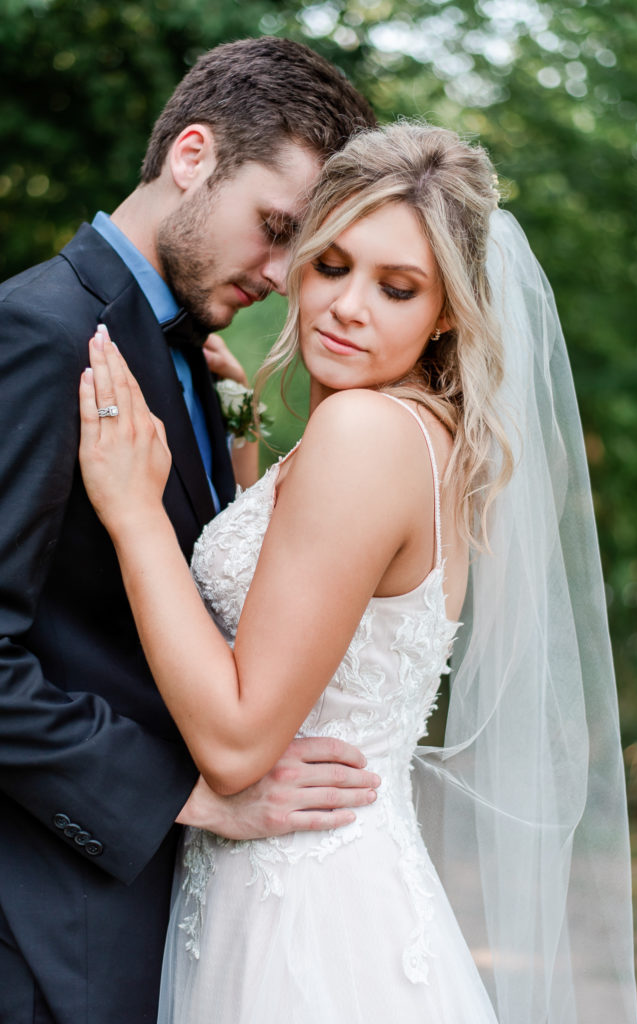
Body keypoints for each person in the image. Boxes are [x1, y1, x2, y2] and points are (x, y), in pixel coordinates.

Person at [78, 122, 637, 1022]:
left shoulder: (364, 436)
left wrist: (136, 513)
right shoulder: (417, 435)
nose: (346, 306)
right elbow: (296, 614)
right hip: (312, 880)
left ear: (448, 311)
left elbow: (235, 743)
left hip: (305, 922)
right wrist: (246, 462)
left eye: (397, 287)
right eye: (330, 264)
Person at [0, 37, 378, 1024]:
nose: (288, 272)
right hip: (45, 937)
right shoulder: (40, 334)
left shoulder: (194, 363)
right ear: (192, 155)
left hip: (158, 926)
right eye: (276, 226)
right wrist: (184, 794)